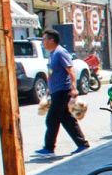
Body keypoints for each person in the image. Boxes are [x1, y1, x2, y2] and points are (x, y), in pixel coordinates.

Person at [33, 29, 89, 157]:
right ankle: (82, 144)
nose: (43, 42)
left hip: (63, 91)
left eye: (44, 39)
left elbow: (71, 70)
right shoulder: (52, 54)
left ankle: (49, 148)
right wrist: (49, 87)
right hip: (56, 91)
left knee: (52, 119)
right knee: (66, 119)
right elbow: (52, 72)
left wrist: (74, 87)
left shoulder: (60, 52)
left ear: (52, 40)